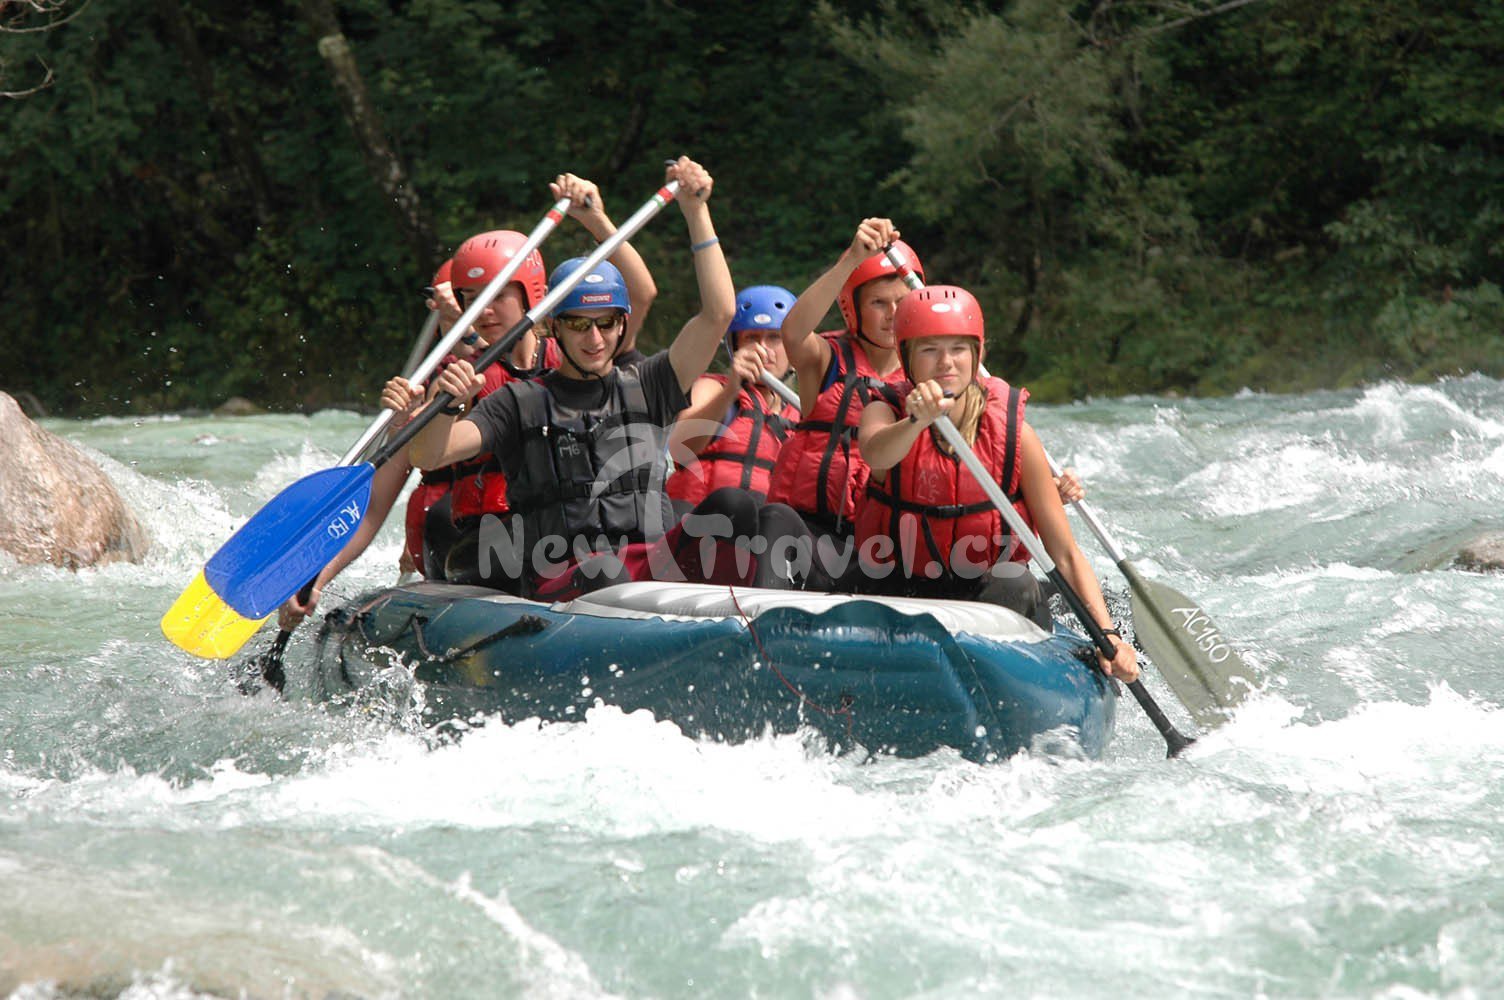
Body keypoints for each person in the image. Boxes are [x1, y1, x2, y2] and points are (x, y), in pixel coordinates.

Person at [411, 156, 809, 598]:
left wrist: (697, 211)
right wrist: (446, 403)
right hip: (564, 577)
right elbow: (431, 454)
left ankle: (758, 627)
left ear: (622, 325)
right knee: (606, 573)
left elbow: (718, 314)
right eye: (580, 324)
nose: (594, 338)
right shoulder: (518, 401)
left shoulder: (649, 383)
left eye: (606, 323)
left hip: (648, 567)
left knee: (736, 505)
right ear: (554, 326)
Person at [853, 285, 1138, 682]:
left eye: (958, 348)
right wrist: (915, 421)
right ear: (907, 358)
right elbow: (877, 454)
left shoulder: (1016, 436)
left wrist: (1108, 635)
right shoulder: (885, 412)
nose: (945, 362)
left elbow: (1065, 553)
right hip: (903, 590)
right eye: (929, 349)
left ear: (977, 355)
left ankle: (994, 680)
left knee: (1017, 581)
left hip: (986, 602)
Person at [765, 218, 921, 589]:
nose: (892, 314)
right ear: (853, 308)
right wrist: (852, 259)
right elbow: (793, 332)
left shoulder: (928, 375)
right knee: (774, 518)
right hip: (811, 533)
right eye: (879, 303)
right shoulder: (826, 360)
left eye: (901, 302)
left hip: (883, 544)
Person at [666, 285, 800, 513]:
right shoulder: (713, 388)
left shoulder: (802, 414)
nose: (763, 349)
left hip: (763, 536)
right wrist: (731, 388)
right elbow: (680, 447)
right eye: (752, 338)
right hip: (700, 526)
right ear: (734, 345)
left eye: (775, 338)